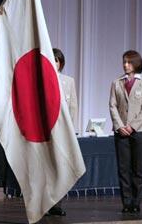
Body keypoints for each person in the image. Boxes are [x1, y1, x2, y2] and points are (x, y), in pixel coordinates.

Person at [109, 50, 142, 214]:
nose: (125, 65)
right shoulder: (116, 82)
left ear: (136, 63)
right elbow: (112, 105)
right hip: (120, 131)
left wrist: (131, 126)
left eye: (128, 62)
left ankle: (136, 201)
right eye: (124, 62)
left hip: (139, 131)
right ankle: (126, 202)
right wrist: (120, 126)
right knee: (123, 168)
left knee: (137, 168)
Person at [47, 48, 79, 217]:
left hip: (63, 133)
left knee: (60, 169)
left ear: (61, 63)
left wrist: (70, 130)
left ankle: (57, 205)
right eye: (52, 59)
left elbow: (73, 107)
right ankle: (44, 205)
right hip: (46, 134)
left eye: (57, 60)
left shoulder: (69, 81)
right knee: (46, 169)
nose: (55, 63)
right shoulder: (41, 80)